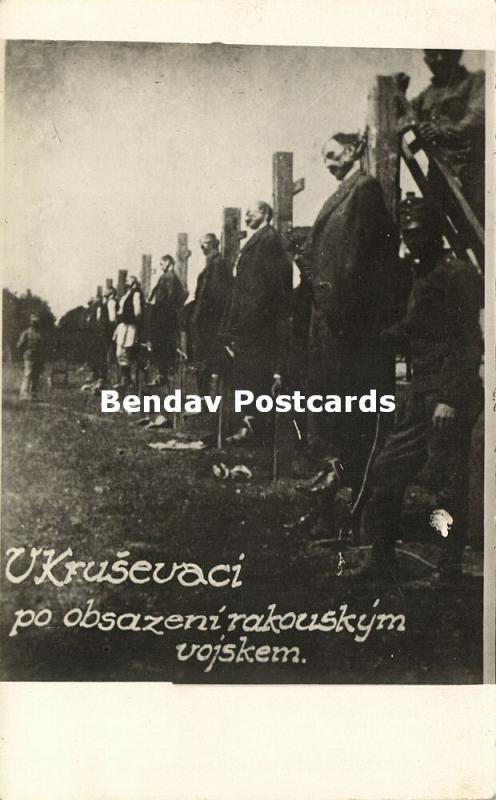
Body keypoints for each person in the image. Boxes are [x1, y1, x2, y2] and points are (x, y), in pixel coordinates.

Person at [361, 195, 483, 583]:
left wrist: (450, 398)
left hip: (446, 397)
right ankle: (381, 560)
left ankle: (448, 569)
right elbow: (416, 330)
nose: (412, 242)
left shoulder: (457, 274)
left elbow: (468, 342)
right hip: (419, 394)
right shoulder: (422, 274)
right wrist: (370, 339)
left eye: (418, 234)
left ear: (436, 233)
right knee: (386, 470)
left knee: (446, 488)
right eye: (407, 235)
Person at [297, 132, 397, 531]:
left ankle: (352, 514)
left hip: (349, 331)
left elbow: (357, 263)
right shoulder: (343, 194)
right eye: (324, 158)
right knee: (334, 421)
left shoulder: (365, 191)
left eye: (334, 155)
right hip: (331, 326)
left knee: (351, 422)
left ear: (355, 150)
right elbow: (318, 255)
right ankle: (332, 510)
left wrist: (332, 304)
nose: (329, 163)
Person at [223, 200, 292, 443]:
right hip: (248, 322)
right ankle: (251, 424)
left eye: (251, 212)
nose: (247, 216)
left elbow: (274, 284)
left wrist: (255, 315)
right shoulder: (257, 240)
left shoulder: (269, 240)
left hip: (260, 323)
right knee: (247, 374)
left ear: (264, 213)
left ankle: (254, 427)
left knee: (256, 374)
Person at [412, 50, 485, 224]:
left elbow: (478, 116)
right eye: (432, 55)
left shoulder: (476, 81)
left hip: (472, 173)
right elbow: (404, 118)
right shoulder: (427, 94)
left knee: (478, 229)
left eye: (444, 53)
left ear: (456, 54)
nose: (438, 59)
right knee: (431, 225)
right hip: (439, 173)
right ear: (426, 60)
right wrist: (398, 92)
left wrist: (441, 130)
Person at [191, 233, 232, 394]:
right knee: (204, 364)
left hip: (209, 324)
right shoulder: (213, 264)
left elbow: (216, 296)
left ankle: (205, 402)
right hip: (208, 323)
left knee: (205, 363)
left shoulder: (217, 264)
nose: (202, 248)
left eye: (205, 244)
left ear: (214, 244)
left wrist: (199, 317)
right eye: (201, 245)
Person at [147, 255, 187, 387]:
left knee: (161, 344)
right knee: (163, 346)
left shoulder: (169, 277)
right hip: (166, 315)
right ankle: (163, 374)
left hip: (164, 316)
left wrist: (161, 313)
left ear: (168, 262)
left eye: (162, 263)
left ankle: (163, 375)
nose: (160, 266)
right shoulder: (170, 277)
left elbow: (169, 299)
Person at [113, 275, 144, 388]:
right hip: (122, 325)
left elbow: (137, 312)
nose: (126, 281)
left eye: (129, 280)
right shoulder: (127, 293)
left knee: (125, 352)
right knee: (119, 353)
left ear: (134, 282)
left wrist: (135, 324)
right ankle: (125, 378)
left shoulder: (136, 294)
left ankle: (127, 380)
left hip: (129, 326)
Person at [17, 314, 45, 400]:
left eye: (37, 322)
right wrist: (24, 352)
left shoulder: (39, 334)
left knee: (36, 376)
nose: (35, 324)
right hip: (29, 356)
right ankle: (24, 394)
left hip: (38, 357)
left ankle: (33, 394)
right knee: (28, 374)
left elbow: (42, 346)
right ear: (31, 323)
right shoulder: (26, 333)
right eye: (34, 322)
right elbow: (19, 345)